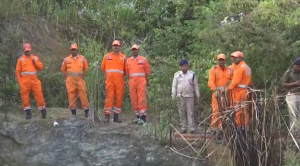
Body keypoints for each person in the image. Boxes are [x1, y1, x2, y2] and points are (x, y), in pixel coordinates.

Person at [15, 43, 47, 119]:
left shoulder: (35, 58)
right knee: (25, 99)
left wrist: (34, 63)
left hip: (34, 81)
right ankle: (28, 113)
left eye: (28, 51)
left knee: (39, 97)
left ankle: (43, 112)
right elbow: (17, 72)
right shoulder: (20, 59)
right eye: (26, 51)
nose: (27, 52)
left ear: (30, 50)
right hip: (24, 82)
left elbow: (40, 67)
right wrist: (20, 83)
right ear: (24, 51)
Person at [172, 59, 200, 134]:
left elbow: (195, 85)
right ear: (180, 67)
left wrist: (198, 95)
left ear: (187, 66)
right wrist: (173, 95)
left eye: (185, 66)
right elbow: (174, 86)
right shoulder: (177, 75)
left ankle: (191, 128)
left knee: (190, 112)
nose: (184, 68)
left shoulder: (192, 75)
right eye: (182, 66)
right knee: (181, 111)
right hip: (180, 96)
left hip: (190, 96)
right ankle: (183, 127)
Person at [61, 43, 89, 117]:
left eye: (75, 50)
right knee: (71, 96)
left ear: (77, 50)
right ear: (71, 50)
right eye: (72, 50)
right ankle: (73, 113)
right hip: (70, 81)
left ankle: (86, 112)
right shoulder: (66, 59)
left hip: (80, 80)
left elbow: (86, 68)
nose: (74, 51)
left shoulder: (82, 58)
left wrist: (83, 75)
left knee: (83, 95)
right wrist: (68, 76)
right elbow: (63, 69)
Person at [101, 40, 126, 123]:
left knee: (118, 99)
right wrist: (109, 76)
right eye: (114, 45)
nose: (116, 47)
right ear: (112, 47)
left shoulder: (123, 57)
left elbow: (126, 70)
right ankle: (107, 117)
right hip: (109, 82)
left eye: (117, 45)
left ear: (119, 47)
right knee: (109, 98)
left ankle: (116, 117)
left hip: (119, 82)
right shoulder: (107, 56)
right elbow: (103, 68)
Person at [226, 51, 251, 131]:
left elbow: (235, 82)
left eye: (236, 57)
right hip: (245, 91)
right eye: (234, 57)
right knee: (244, 110)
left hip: (239, 92)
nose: (234, 59)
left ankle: (239, 128)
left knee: (238, 111)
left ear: (241, 58)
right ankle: (245, 127)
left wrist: (227, 89)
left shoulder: (240, 68)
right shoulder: (247, 67)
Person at [125, 44, 150, 123]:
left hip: (141, 81)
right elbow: (127, 72)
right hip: (132, 81)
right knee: (133, 99)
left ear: (138, 50)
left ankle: (143, 118)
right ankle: (138, 117)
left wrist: (142, 79)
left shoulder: (143, 59)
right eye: (133, 50)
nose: (134, 51)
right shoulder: (128, 60)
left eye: (136, 49)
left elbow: (147, 71)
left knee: (141, 98)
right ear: (131, 51)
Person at [207, 54, 232, 131]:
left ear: (225, 61)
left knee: (225, 111)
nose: (221, 62)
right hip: (216, 94)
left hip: (226, 94)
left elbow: (232, 81)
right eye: (219, 60)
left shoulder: (229, 70)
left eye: (222, 60)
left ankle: (223, 128)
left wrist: (228, 89)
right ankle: (214, 128)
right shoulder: (213, 70)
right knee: (216, 110)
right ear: (217, 61)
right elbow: (210, 82)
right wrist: (214, 90)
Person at [281, 56, 300, 137]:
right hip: (292, 96)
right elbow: (283, 84)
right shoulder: (288, 73)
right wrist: (294, 84)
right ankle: (294, 134)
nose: (299, 68)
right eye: (298, 66)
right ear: (293, 65)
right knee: (293, 115)